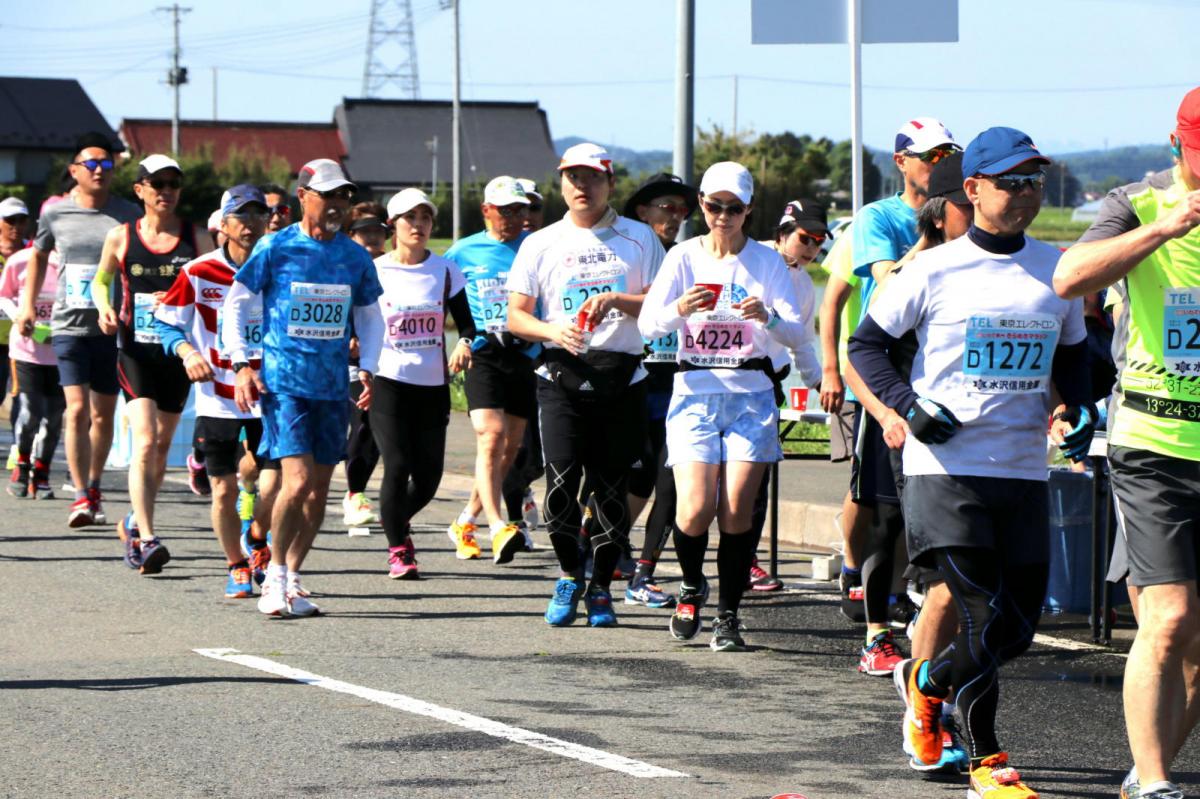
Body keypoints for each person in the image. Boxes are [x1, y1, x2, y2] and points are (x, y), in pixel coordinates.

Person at [850, 126, 1091, 798]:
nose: (1022, 194)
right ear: (974, 188)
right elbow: (865, 347)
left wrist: (1077, 405)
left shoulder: (1059, 267)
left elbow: (1072, 355)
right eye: (1008, 181)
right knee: (984, 614)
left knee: (1017, 626)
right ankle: (988, 757)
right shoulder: (932, 268)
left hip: (1021, 466)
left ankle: (923, 682)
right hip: (944, 468)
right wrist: (907, 406)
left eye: (1032, 181)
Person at [1053, 87, 1200, 799]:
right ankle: (1156, 783)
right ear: (1178, 146)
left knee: (1197, 650)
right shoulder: (1138, 203)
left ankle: (1144, 772)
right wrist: (1166, 229)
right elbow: (1067, 277)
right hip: (1153, 442)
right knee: (1167, 617)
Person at [639, 161, 807, 651]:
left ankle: (728, 615)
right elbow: (649, 327)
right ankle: (692, 585)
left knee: (735, 512)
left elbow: (797, 334)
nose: (723, 216)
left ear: (749, 210)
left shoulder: (768, 262)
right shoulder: (684, 258)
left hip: (751, 396)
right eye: (714, 206)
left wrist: (770, 317)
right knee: (692, 511)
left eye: (734, 208)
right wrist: (679, 310)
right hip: (695, 392)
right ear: (702, 207)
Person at [845, 151, 973, 772]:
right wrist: (892, 411)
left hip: (980, 449)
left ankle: (926, 682)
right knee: (894, 529)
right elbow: (857, 351)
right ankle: (882, 639)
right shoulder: (914, 272)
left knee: (989, 595)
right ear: (945, 213)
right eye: (968, 207)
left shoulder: (994, 267)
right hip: (904, 429)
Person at [508, 142, 664, 627]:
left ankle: (600, 588)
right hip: (561, 376)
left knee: (610, 490)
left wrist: (619, 299)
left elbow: (664, 308)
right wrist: (552, 330)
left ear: (609, 183)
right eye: (572, 177)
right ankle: (569, 574)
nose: (582, 186)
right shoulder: (540, 242)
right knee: (559, 487)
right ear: (561, 183)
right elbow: (516, 316)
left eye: (592, 177)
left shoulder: (639, 239)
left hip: (622, 376)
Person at [223, 158, 384, 617]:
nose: (336, 205)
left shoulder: (354, 256)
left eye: (343, 196)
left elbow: (371, 316)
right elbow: (237, 305)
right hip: (285, 386)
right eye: (327, 195)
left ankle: (293, 575)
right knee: (293, 483)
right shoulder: (276, 247)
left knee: (318, 490)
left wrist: (368, 368)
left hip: (333, 388)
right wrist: (241, 365)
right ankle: (272, 576)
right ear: (303, 198)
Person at [850, 117, 963, 668]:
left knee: (934, 521)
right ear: (902, 161)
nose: (939, 162)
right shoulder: (881, 222)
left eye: (949, 155)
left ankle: (925, 612)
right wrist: (883, 409)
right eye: (930, 155)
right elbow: (863, 324)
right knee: (889, 516)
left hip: (944, 396)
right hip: (890, 386)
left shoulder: (968, 239)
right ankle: (876, 632)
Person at [153, 184, 281, 598]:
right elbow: (165, 321)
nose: (251, 225)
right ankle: (237, 565)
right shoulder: (198, 271)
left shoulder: (282, 266)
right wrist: (187, 351)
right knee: (224, 489)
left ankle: (258, 538)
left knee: (276, 482)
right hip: (217, 396)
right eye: (241, 217)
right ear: (223, 225)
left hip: (272, 392)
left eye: (259, 215)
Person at [18, 132, 141, 528]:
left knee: (102, 416)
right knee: (75, 410)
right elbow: (37, 256)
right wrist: (26, 305)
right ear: (74, 171)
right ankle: (81, 496)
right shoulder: (55, 213)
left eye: (107, 164)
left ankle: (94, 482)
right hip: (68, 325)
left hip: (110, 327)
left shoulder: (126, 213)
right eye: (92, 164)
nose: (101, 170)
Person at [91, 154, 197, 573]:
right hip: (134, 351)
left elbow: (212, 286)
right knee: (147, 440)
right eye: (157, 185)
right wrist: (103, 308)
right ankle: (146, 538)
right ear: (140, 191)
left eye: (173, 184)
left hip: (177, 354)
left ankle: (135, 518)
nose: (166, 192)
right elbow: (101, 281)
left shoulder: (196, 237)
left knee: (163, 448)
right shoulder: (121, 237)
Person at [372, 188, 475, 578]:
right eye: (409, 218)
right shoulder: (377, 270)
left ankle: (397, 522)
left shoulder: (445, 269)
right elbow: (360, 323)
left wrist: (465, 343)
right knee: (397, 467)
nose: (418, 225)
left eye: (425, 218)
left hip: (433, 386)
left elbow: (467, 324)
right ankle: (398, 547)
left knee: (428, 479)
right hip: (389, 381)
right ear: (393, 226)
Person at [444, 176, 535, 563]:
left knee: (508, 449)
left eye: (520, 209)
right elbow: (437, 295)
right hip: (483, 353)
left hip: (526, 354)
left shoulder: (535, 247)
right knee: (491, 437)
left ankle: (465, 520)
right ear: (486, 211)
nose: (513, 218)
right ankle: (499, 527)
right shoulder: (462, 252)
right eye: (505, 211)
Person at [621, 172, 697, 607]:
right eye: (667, 207)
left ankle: (642, 575)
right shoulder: (628, 254)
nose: (676, 217)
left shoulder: (687, 256)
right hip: (631, 376)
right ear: (642, 211)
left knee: (671, 479)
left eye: (683, 210)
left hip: (677, 378)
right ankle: (598, 547)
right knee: (631, 477)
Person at [744, 198, 826, 593]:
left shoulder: (805, 283)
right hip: (724, 376)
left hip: (767, 383)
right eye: (805, 238)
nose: (811, 248)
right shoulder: (753, 260)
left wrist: (818, 383)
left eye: (819, 242)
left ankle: (747, 559)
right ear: (782, 233)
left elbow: (802, 342)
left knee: (756, 478)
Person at [0, 241, 63, 499]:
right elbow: (4, 294)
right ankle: (22, 464)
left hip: (62, 352)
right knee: (30, 411)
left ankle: (42, 471)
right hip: (26, 350)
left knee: (54, 417)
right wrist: (19, 315)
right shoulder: (21, 260)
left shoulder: (74, 264)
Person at [341, 201, 389, 528]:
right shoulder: (344, 266)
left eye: (378, 232)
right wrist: (348, 337)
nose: (372, 238)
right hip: (351, 362)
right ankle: (355, 493)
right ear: (351, 235)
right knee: (364, 422)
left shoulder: (392, 265)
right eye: (364, 232)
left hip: (392, 360)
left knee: (379, 429)